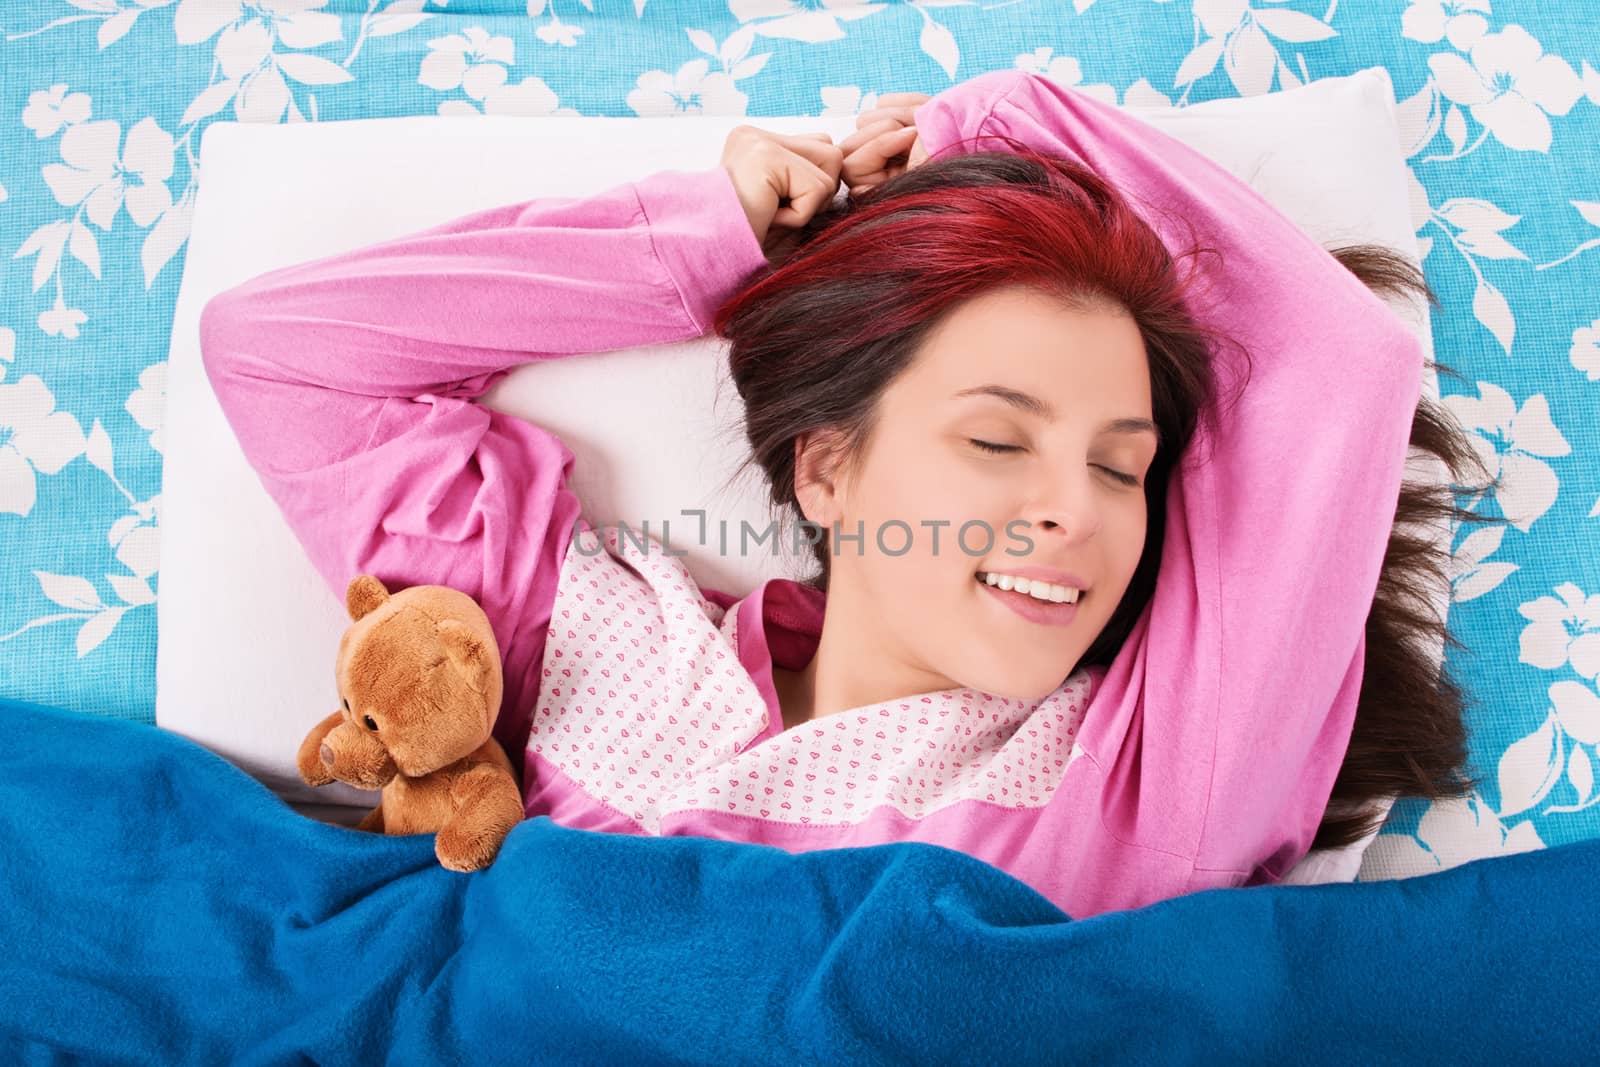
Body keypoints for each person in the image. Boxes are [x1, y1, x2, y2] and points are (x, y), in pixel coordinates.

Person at [199, 69, 1485, 919]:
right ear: (827, 466)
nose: (1076, 511)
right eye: (997, 440)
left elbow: (1340, 364)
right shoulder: (591, 643)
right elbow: (279, 351)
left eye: (1119, 463)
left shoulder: (1149, 778)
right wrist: (715, 244)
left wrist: (1015, 120)